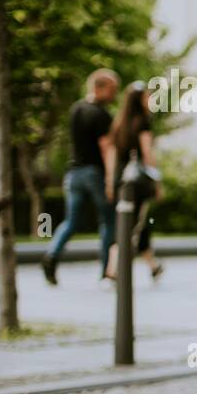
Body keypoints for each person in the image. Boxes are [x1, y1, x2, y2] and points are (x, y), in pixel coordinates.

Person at [41, 69, 120, 284]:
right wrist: (111, 180)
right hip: (95, 173)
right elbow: (106, 148)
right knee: (108, 220)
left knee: (71, 221)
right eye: (112, 90)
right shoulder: (101, 115)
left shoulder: (76, 109)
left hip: (73, 173)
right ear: (99, 87)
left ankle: (52, 255)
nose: (114, 95)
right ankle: (106, 270)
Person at [104, 82, 164, 281]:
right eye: (147, 97)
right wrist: (157, 181)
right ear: (139, 101)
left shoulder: (119, 124)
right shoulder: (142, 122)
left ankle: (152, 265)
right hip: (138, 182)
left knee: (136, 223)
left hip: (122, 180)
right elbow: (147, 154)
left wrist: (110, 182)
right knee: (133, 226)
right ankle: (113, 269)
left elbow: (111, 155)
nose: (150, 101)